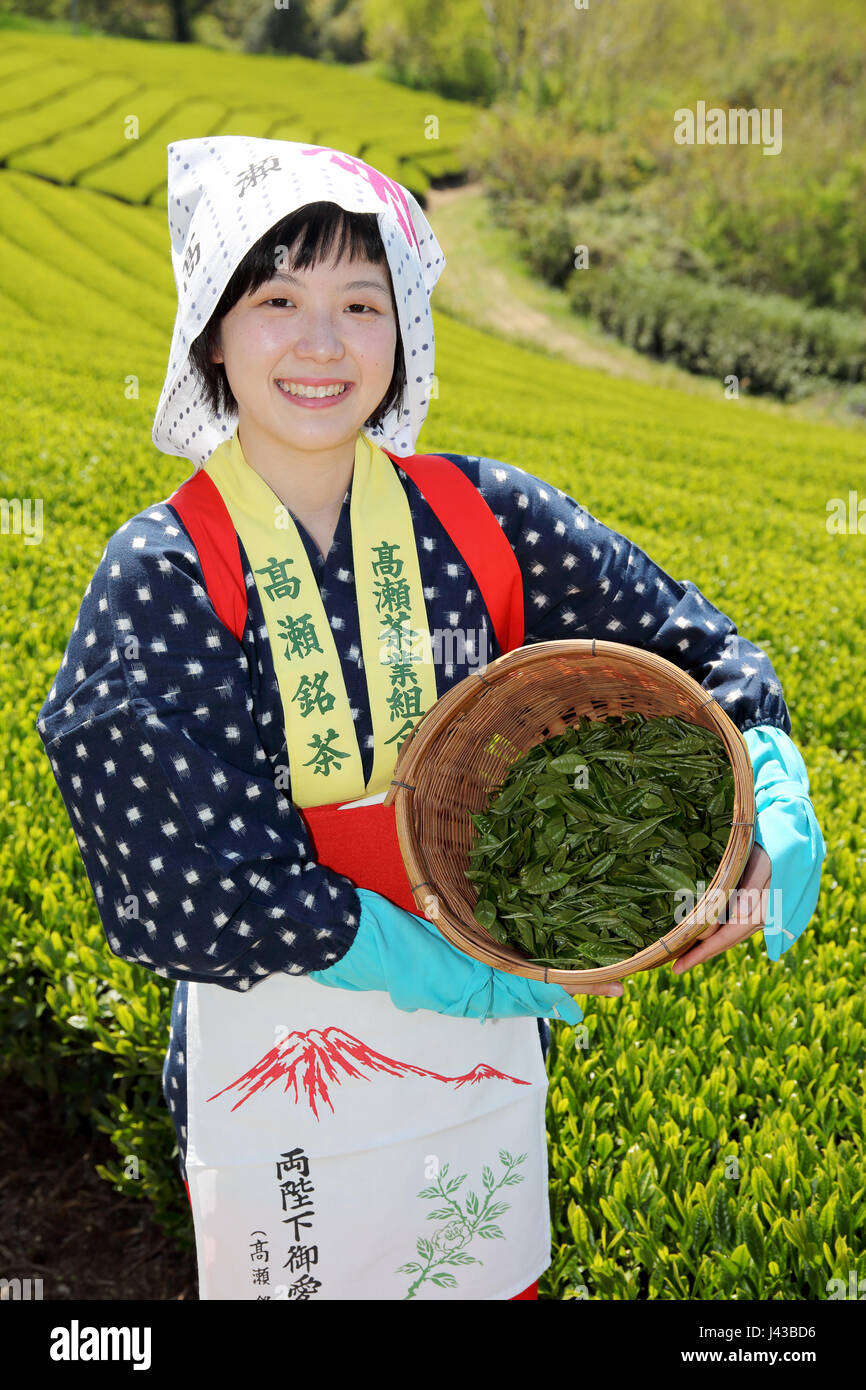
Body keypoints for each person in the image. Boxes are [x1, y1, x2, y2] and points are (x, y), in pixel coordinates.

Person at [36, 136, 825, 1301]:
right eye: (277, 298)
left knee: (476, 1268)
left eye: (362, 302)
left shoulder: (484, 515)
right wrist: (394, 956)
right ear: (212, 327)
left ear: (402, 330)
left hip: (485, 1048)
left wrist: (762, 764)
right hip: (276, 1059)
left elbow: (690, 645)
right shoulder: (164, 570)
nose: (320, 341)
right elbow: (171, 871)